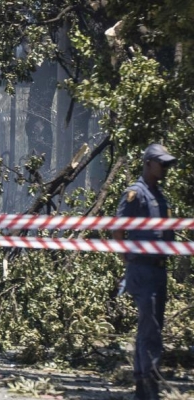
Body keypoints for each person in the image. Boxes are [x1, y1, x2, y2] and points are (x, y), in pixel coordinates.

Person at [113, 143, 177, 400]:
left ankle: (143, 384)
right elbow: (118, 229)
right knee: (150, 329)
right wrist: (128, 258)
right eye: (161, 163)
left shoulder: (159, 195)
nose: (165, 168)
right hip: (142, 269)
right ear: (149, 163)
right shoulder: (135, 194)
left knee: (152, 327)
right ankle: (148, 387)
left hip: (159, 269)